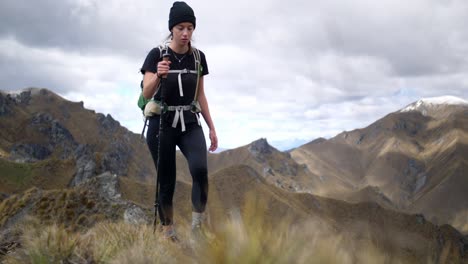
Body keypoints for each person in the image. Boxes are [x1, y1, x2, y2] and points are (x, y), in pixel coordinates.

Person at [140, 1, 218, 241]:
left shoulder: (198, 58)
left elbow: (201, 94)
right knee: (167, 180)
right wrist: (159, 75)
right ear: (172, 29)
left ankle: (197, 230)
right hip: (162, 122)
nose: (185, 33)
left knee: (200, 171)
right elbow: (146, 92)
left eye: (190, 28)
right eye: (180, 28)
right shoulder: (157, 54)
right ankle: (168, 232)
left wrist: (211, 127)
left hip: (189, 121)